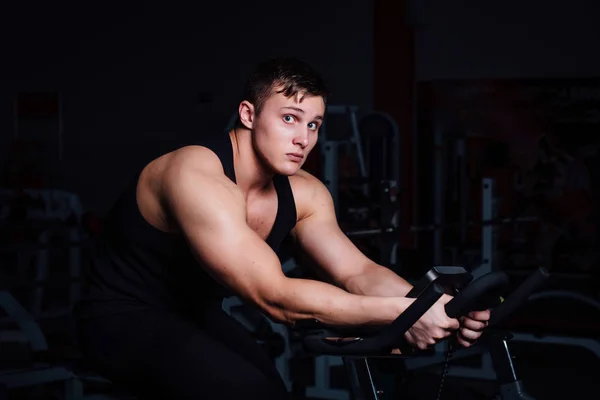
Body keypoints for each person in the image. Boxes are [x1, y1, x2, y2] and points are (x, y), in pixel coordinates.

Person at [74, 56, 490, 400]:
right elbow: (275, 298)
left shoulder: (305, 192)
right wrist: (406, 314)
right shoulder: (194, 174)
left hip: (194, 314)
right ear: (248, 114)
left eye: (313, 124)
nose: (303, 138)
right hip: (118, 317)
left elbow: (357, 272)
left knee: (273, 390)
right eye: (290, 118)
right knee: (247, 392)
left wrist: (434, 305)